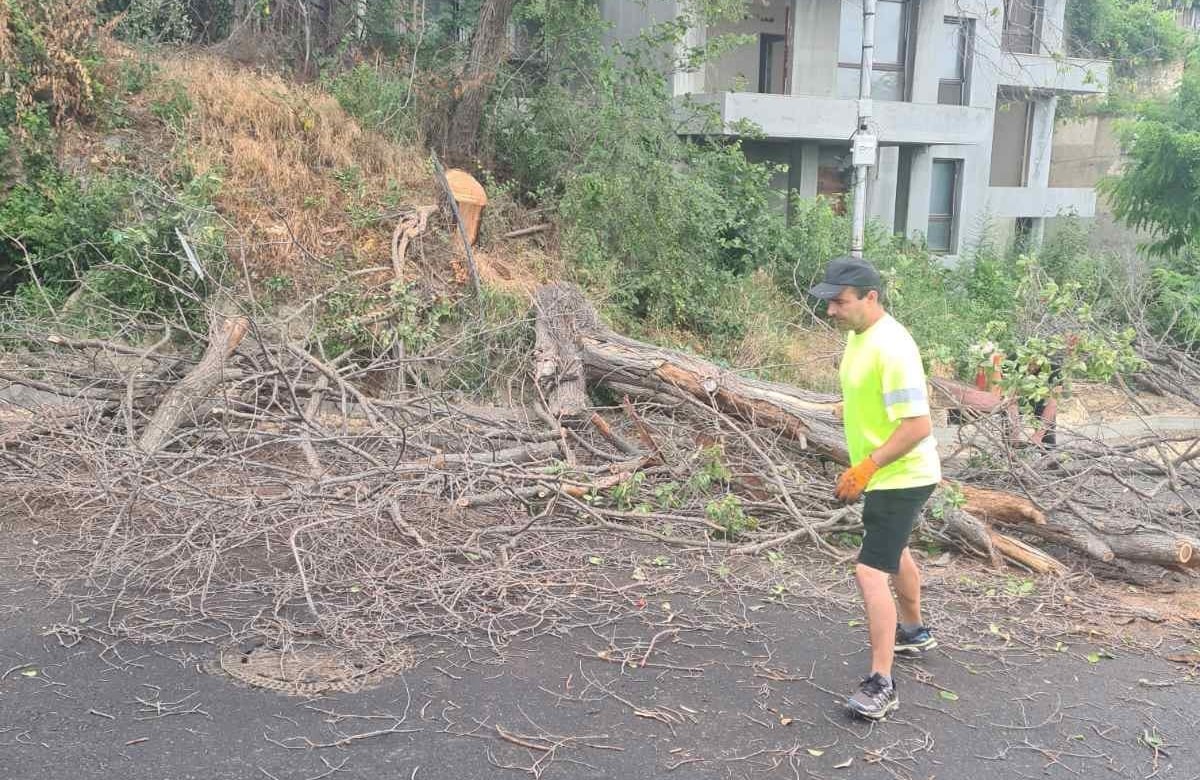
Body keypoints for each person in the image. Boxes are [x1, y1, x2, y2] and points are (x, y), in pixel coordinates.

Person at [809, 256, 942, 721]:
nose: (831, 312)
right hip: (884, 472)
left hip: (901, 475)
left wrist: (865, 466)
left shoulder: (894, 347)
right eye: (829, 303)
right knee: (893, 549)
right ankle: (914, 631)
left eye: (840, 302)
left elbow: (919, 425)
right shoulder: (857, 336)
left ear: (871, 298)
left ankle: (882, 682)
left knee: (869, 571)